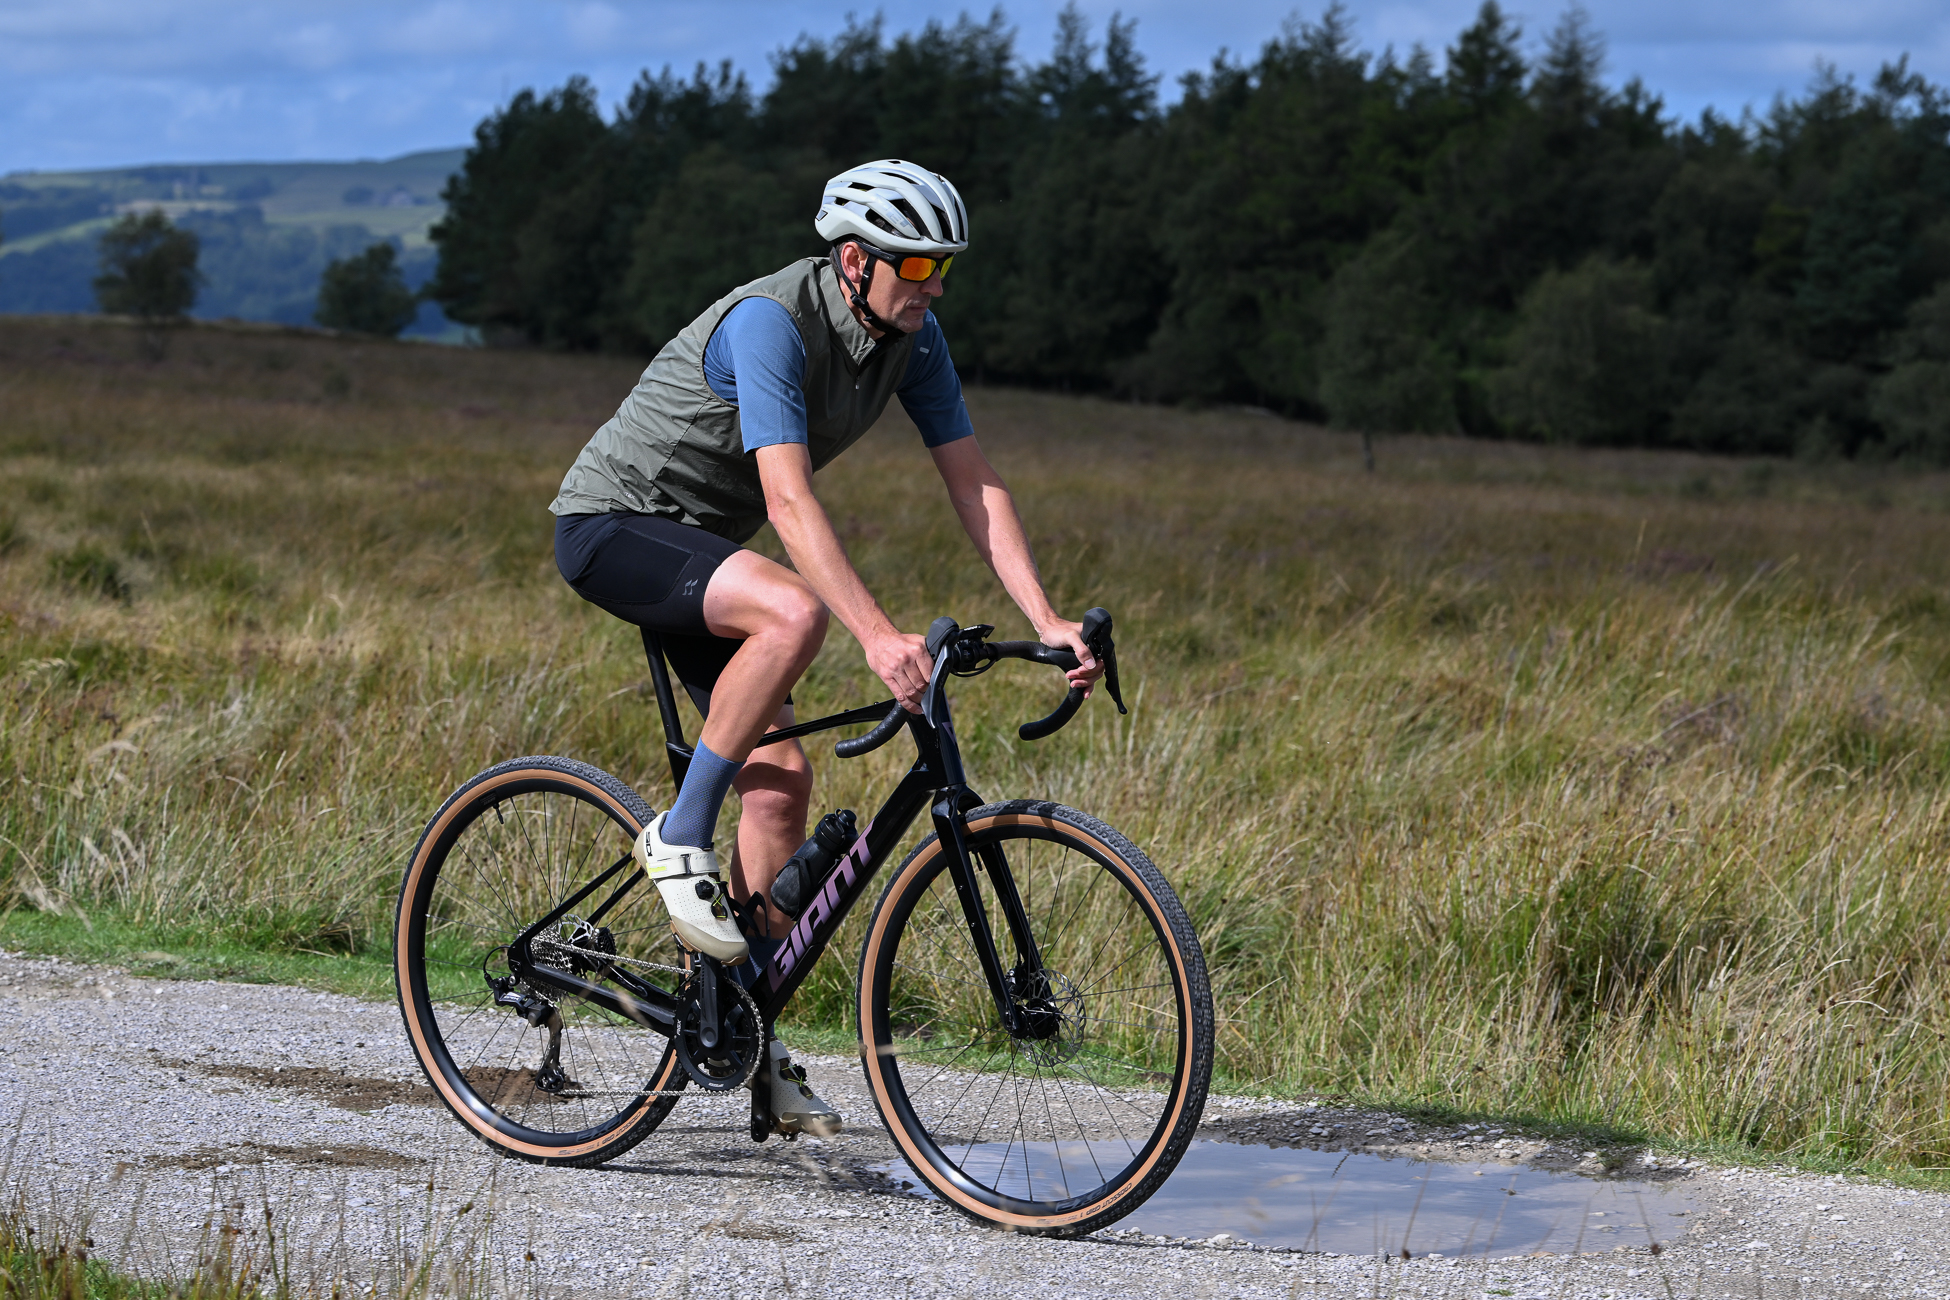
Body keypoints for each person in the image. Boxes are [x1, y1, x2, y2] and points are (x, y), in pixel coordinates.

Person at [548, 159, 1102, 1137]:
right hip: (614, 525)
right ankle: (676, 837)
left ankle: (743, 1041)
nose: (934, 285)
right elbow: (790, 503)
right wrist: (878, 635)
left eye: (946, 269)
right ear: (855, 259)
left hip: (701, 551)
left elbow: (975, 484)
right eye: (918, 264)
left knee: (780, 783)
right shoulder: (771, 324)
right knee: (796, 616)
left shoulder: (914, 341)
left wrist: (1047, 615)